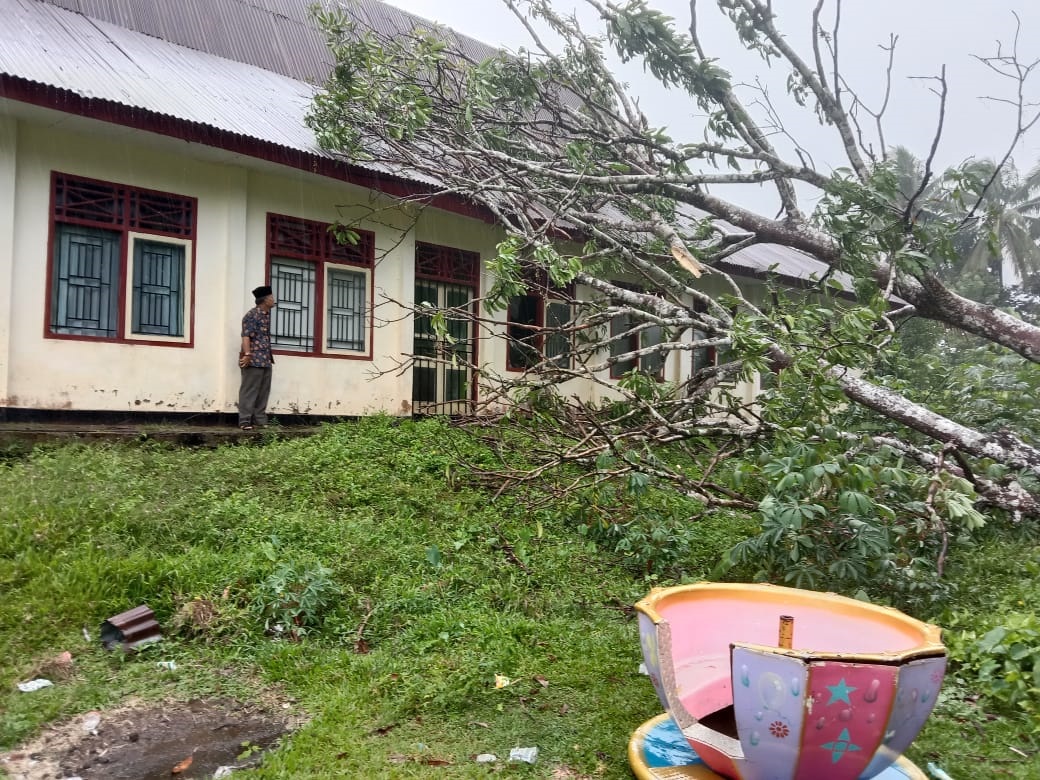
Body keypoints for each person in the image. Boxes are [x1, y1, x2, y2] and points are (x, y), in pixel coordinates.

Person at [238, 284, 276, 430]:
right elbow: (246, 336)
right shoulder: (251, 315)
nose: (273, 300)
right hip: (253, 359)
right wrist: (247, 355)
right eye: (271, 298)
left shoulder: (266, 315)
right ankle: (245, 421)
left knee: (263, 390)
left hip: (265, 359)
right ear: (265, 300)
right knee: (249, 390)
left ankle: (260, 420)